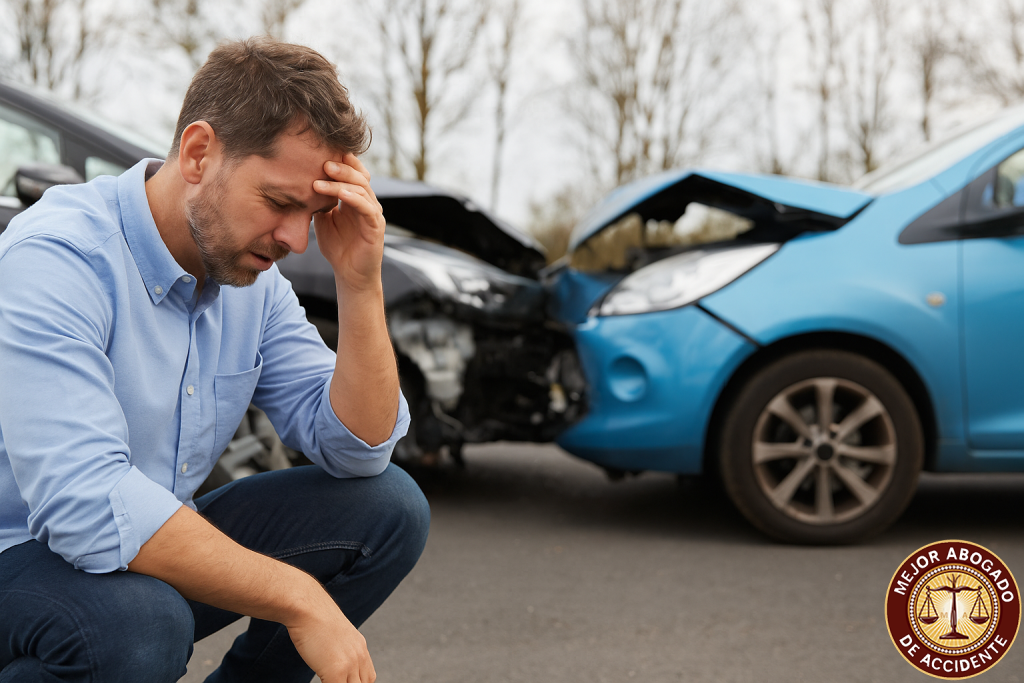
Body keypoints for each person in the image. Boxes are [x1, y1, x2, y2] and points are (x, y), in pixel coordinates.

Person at [0, 38, 429, 683]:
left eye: (313, 213)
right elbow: (86, 506)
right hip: (20, 554)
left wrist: (360, 284)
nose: (296, 240)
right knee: (135, 627)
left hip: (138, 554)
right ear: (199, 153)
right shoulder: (59, 258)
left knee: (389, 509)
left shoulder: (252, 283)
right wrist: (302, 599)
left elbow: (358, 450)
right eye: (280, 203)